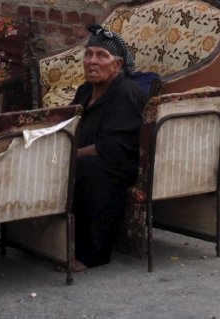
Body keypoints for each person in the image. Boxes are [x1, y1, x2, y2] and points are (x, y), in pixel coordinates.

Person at [70, 23, 147, 270]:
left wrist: (67, 156)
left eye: (102, 56)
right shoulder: (85, 91)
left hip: (118, 165)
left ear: (118, 65)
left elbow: (111, 147)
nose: (92, 61)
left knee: (88, 168)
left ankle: (93, 254)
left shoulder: (125, 93)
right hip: (87, 158)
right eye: (89, 54)